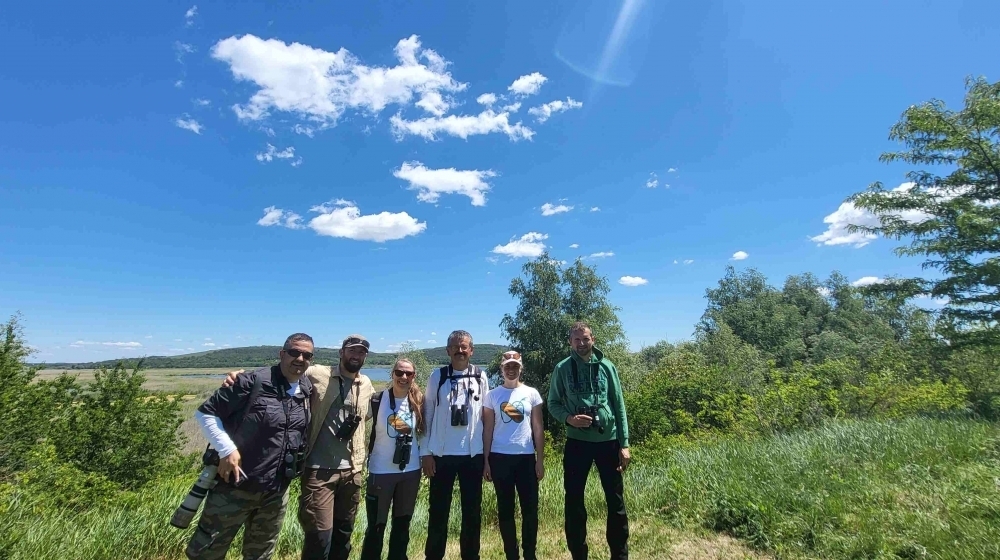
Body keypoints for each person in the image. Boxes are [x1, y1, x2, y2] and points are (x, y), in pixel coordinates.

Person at [224, 334, 376, 560]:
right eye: (352, 350)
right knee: (319, 538)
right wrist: (242, 376)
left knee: (343, 536)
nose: (356, 355)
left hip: (352, 472)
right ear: (341, 352)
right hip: (318, 471)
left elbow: (373, 412)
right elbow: (284, 371)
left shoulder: (366, 384)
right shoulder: (317, 373)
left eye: (361, 352)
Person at [185, 333, 315, 560]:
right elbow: (206, 413)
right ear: (282, 354)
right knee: (207, 552)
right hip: (235, 487)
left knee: (261, 554)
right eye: (294, 352)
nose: (300, 358)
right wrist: (226, 449)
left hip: (276, 491)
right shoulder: (250, 381)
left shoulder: (306, 387)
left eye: (307, 355)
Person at [547, 322, 631, 560]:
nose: (581, 344)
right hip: (577, 442)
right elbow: (553, 403)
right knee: (574, 501)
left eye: (585, 339)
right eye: (577, 340)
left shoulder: (607, 366)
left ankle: (620, 555)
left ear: (593, 339)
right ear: (570, 342)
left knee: (615, 501)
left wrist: (624, 444)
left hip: (608, 440)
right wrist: (569, 419)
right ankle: (578, 554)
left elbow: (619, 405)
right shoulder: (562, 368)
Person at [421, 330, 489, 560]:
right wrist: (425, 452)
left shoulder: (480, 376)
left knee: (472, 513)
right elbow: (427, 414)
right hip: (441, 455)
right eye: (455, 347)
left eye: (464, 347)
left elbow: (486, 416)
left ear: (471, 350)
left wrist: (487, 457)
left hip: (472, 454)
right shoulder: (437, 376)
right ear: (448, 350)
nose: (460, 351)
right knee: (438, 512)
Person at [359, 358, 425, 560]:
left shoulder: (419, 401)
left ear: (414, 376)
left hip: (410, 472)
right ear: (392, 374)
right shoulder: (378, 400)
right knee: (376, 527)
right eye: (399, 372)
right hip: (381, 472)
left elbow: (426, 433)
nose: (403, 377)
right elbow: (358, 425)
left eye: (408, 373)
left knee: (402, 526)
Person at [482, 351, 544, 560]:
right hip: (499, 458)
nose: (511, 370)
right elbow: (488, 430)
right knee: (505, 510)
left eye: (515, 366)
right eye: (507, 366)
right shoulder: (492, 396)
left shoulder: (532, 393)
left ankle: (530, 554)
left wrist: (540, 460)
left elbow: (538, 428)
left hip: (526, 457)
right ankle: (511, 554)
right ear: (502, 369)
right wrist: (486, 461)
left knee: (530, 510)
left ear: (520, 369)